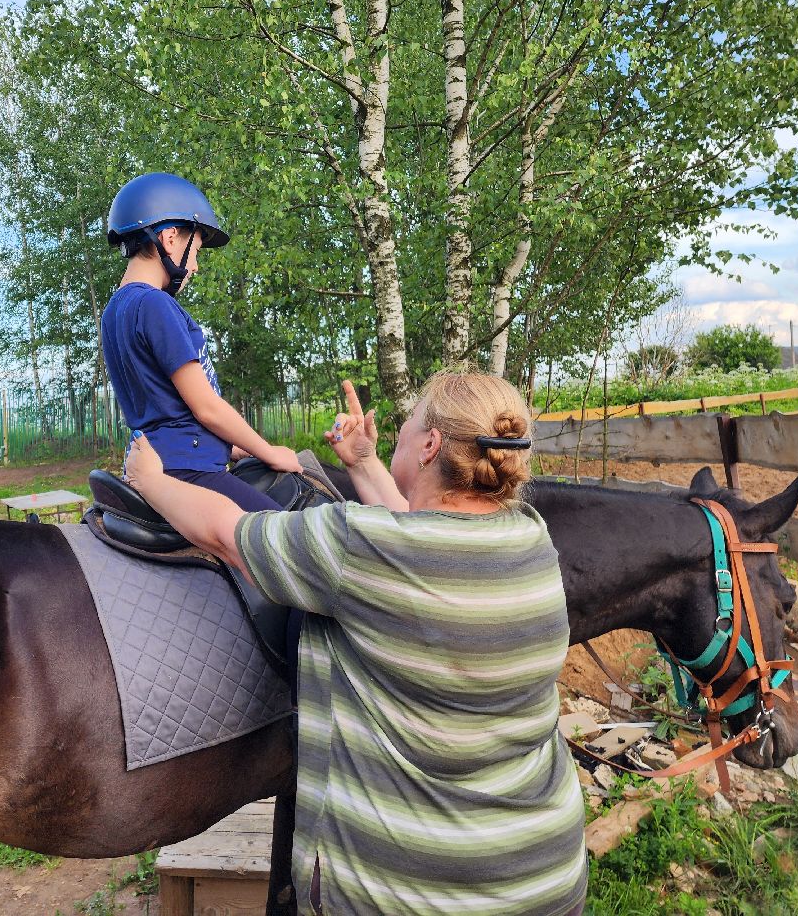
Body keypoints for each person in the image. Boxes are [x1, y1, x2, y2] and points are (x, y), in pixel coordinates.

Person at [125, 371, 587, 915]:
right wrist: (364, 463)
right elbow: (420, 536)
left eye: (408, 424)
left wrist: (152, 480)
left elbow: (228, 534)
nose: (399, 433)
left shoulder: (360, 547)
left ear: (431, 444)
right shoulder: (530, 538)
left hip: (410, 893)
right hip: (543, 875)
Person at [102, 172, 302, 514]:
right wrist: (269, 452)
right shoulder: (155, 304)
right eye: (194, 251)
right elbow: (205, 407)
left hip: (158, 458)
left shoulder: (114, 310)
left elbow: (163, 407)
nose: (194, 266)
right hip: (187, 471)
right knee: (286, 537)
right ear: (169, 238)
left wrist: (233, 448)